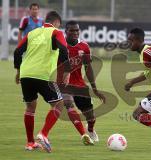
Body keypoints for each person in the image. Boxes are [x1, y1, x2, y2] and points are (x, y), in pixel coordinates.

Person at [14, 11, 71, 153]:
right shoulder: (56, 32)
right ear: (57, 22)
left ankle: (30, 143)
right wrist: (67, 71)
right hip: (42, 75)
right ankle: (43, 134)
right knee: (59, 104)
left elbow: (17, 51)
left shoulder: (32, 33)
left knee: (30, 109)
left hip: (26, 75)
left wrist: (18, 71)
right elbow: (64, 50)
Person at [58, 20, 105, 144]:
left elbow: (88, 68)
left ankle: (90, 130)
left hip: (79, 85)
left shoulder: (84, 46)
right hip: (64, 84)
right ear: (66, 31)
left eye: (77, 30)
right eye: (72, 30)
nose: (75, 33)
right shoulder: (60, 46)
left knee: (91, 117)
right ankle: (83, 134)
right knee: (68, 103)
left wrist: (94, 88)